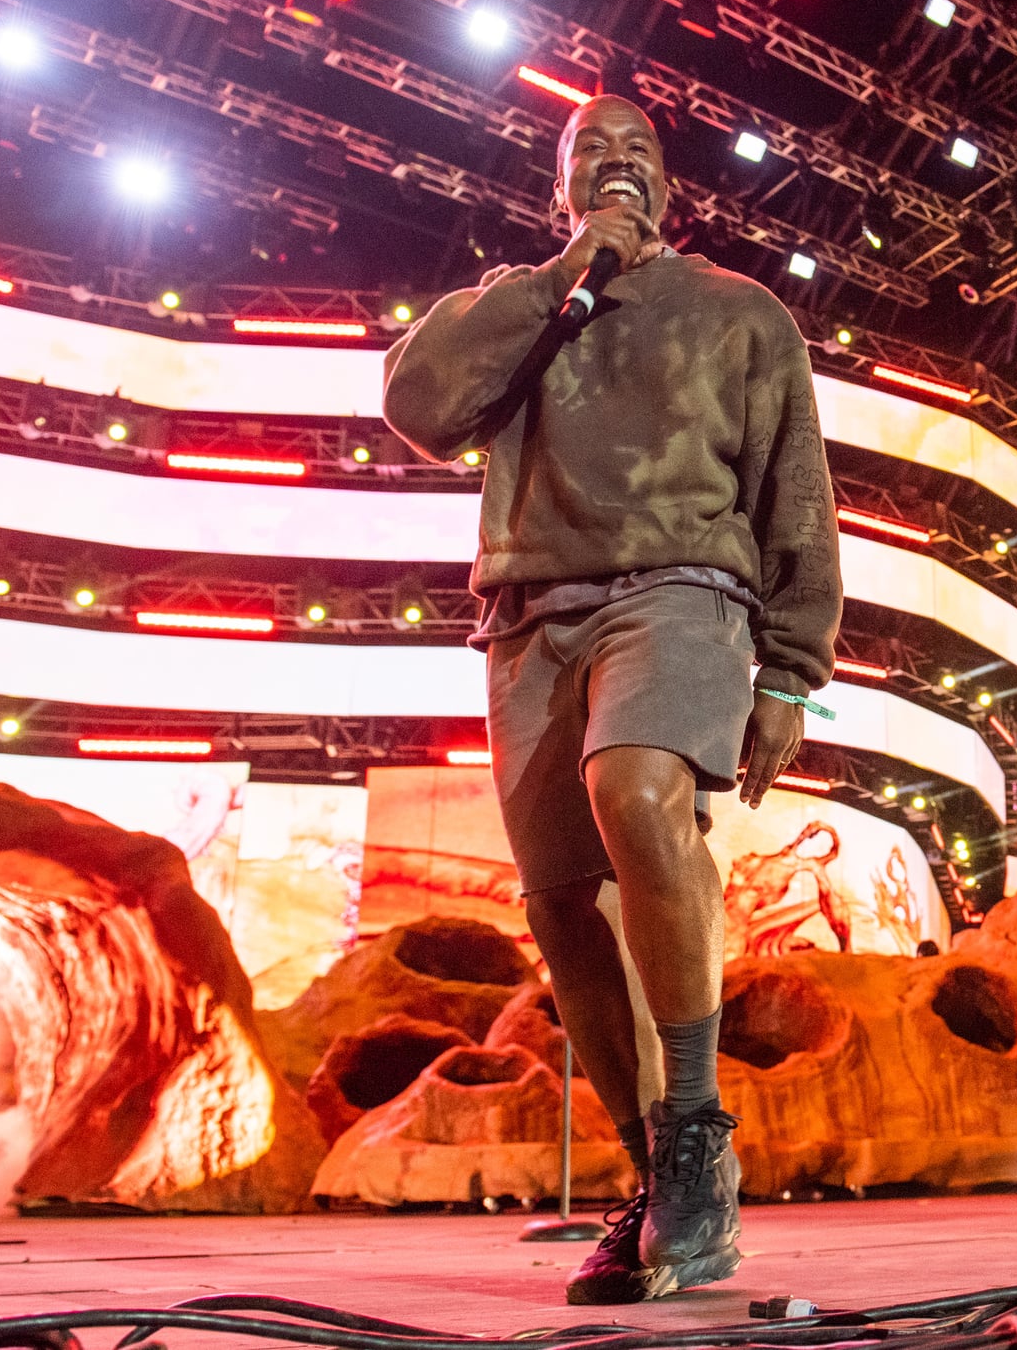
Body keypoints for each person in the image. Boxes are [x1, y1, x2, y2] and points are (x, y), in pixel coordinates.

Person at [380, 93, 841, 1303]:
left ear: (671, 190)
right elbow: (417, 406)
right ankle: (658, 1188)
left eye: (638, 154)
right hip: (528, 618)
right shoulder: (514, 310)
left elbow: (794, 492)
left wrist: (788, 667)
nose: (619, 166)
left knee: (635, 789)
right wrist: (557, 280)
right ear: (563, 189)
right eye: (593, 155)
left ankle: (694, 1133)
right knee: (559, 908)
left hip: (681, 589)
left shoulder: (740, 312)